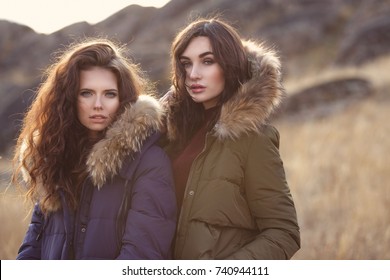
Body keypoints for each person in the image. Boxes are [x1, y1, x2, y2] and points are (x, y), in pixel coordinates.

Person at [12, 38, 177, 259]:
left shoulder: (149, 161)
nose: (98, 104)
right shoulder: (55, 158)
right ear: (69, 97)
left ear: (123, 98)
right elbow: (33, 245)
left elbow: (143, 255)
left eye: (109, 94)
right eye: (86, 93)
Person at [161, 17, 300, 259]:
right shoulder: (172, 130)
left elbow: (284, 233)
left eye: (207, 61)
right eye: (186, 64)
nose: (193, 74)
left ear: (229, 64)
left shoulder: (253, 138)